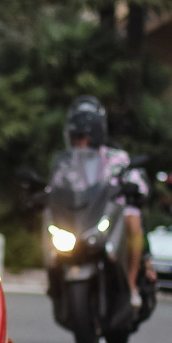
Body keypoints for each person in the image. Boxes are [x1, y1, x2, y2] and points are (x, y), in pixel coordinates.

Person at [64, 96, 148, 307]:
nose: (79, 142)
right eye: (75, 137)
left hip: (113, 212)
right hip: (82, 214)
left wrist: (135, 187)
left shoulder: (117, 157)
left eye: (83, 136)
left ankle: (131, 285)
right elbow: (57, 185)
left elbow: (137, 180)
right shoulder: (68, 162)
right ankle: (56, 279)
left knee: (133, 219)